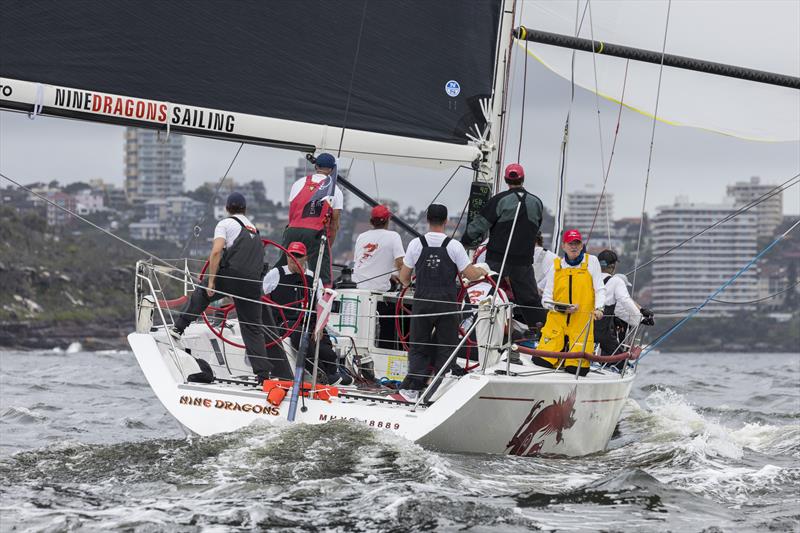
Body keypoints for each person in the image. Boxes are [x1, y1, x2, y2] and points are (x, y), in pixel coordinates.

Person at [170, 192, 271, 381]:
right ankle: (263, 375)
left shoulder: (225, 224)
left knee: (202, 295)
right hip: (253, 284)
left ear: (226, 208)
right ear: (245, 209)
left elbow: (216, 252)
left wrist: (210, 282)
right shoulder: (254, 230)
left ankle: (178, 328)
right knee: (252, 328)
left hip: (232, 276)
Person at [397, 204, 488, 401]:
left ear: (427, 219)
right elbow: (470, 275)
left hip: (422, 302)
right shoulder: (454, 246)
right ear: (446, 221)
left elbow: (403, 277)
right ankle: (437, 391)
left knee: (419, 346)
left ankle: (412, 389)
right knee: (447, 347)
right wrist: (482, 271)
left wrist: (409, 282)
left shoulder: (415, 244)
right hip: (447, 303)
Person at [461, 163, 545, 331]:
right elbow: (536, 227)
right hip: (523, 262)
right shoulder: (536, 203)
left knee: (486, 292)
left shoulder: (499, 200)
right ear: (523, 179)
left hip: (498, 259)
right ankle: (539, 332)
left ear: (506, 179)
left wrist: (466, 240)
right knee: (530, 299)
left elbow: (479, 225)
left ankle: (476, 328)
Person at [262, 241, 352, 385]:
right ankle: (320, 374)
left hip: (309, 322)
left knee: (325, 347)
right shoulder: (275, 274)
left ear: (305, 258)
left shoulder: (313, 278)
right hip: (286, 322)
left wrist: (320, 327)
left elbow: (321, 304)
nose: (294, 259)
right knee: (299, 336)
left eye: (298, 256)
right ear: (286, 255)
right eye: (291, 255)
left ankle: (333, 373)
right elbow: (261, 297)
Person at [535, 229, 606, 376]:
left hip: (581, 322)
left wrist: (600, 308)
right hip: (557, 320)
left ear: (581, 246)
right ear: (563, 246)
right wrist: (562, 308)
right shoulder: (556, 266)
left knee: (577, 369)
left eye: (576, 243)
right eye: (570, 243)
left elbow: (600, 289)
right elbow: (546, 300)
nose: (573, 247)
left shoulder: (592, 262)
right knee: (541, 361)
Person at [278, 152, 343, 286]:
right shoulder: (335, 190)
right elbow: (334, 224)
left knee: (283, 270)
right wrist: (327, 246)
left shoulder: (298, 183)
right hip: (315, 233)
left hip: (292, 231)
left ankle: (274, 294)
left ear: (316, 166)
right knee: (321, 278)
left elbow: (292, 213)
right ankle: (318, 301)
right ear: (331, 170)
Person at [594, 249, 654, 358]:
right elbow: (625, 301)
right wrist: (641, 319)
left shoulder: (589, 278)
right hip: (603, 333)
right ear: (613, 266)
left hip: (583, 330)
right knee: (620, 361)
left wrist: (640, 311)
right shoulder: (616, 282)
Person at [352, 204, 405, 291]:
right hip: (376, 291)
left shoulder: (361, 236)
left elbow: (362, 264)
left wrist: (389, 275)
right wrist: (406, 284)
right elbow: (400, 264)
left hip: (356, 286)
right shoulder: (394, 236)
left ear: (371, 221)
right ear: (388, 220)